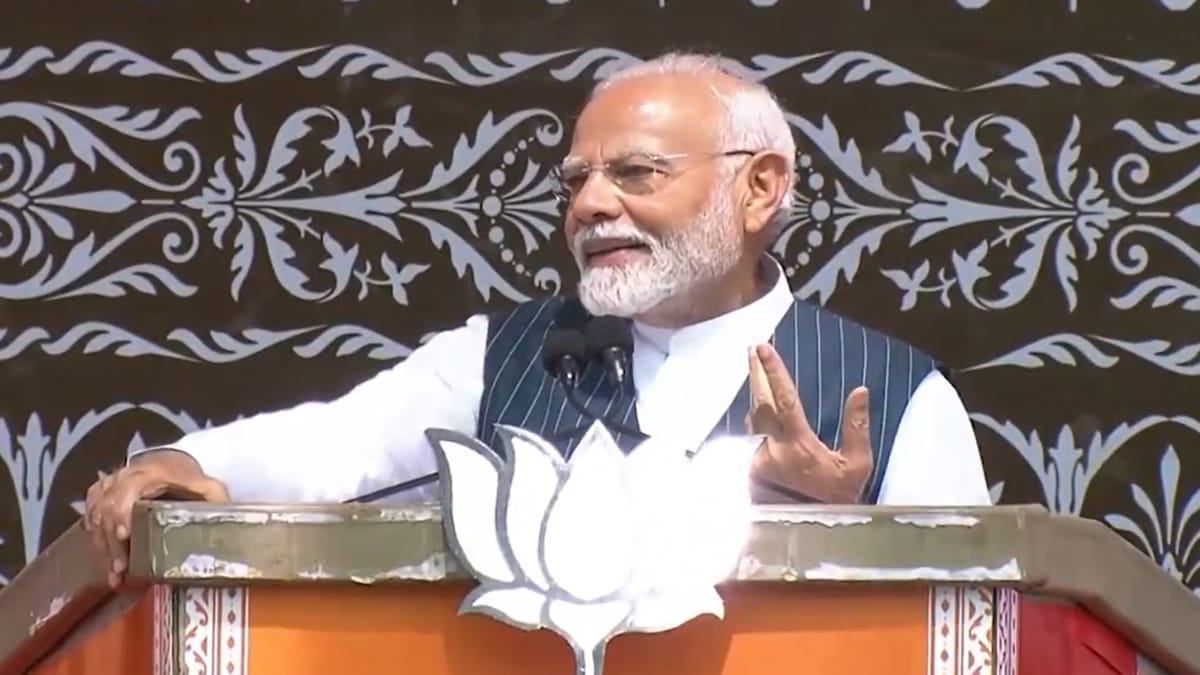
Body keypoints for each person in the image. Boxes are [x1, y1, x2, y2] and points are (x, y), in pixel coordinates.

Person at [84, 52, 991, 588]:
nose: (590, 205)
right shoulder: (505, 356)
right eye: (575, 182)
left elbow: (963, 625)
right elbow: (338, 447)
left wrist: (846, 543)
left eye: (635, 174)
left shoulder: (902, 400)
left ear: (759, 189)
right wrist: (187, 464)